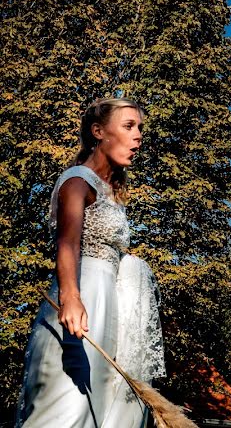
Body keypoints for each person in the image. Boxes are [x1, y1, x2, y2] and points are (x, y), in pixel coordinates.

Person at [16, 98, 165, 428]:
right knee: (67, 407)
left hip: (112, 305)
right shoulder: (77, 180)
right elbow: (67, 243)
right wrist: (70, 298)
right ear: (98, 131)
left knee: (101, 404)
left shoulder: (111, 193)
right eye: (129, 126)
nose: (138, 135)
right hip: (83, 299)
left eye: (140, 127)